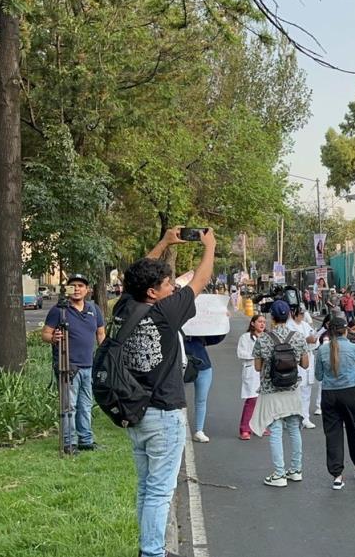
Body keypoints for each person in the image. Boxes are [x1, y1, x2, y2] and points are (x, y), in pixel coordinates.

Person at [112, 226, 214, 557]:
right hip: (164, 413)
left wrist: (165, 242)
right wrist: (208, 246)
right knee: (159, 491)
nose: (174, 286)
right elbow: (200, 280)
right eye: (168, 284)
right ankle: (152, 552)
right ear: (154, 293)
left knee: (146, 488)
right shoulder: (166, 313)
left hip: (135, 410)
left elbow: (135, 277)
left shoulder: (125, 306)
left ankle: (150, 547)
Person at [41, 273, 106, 454]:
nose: (77, 289)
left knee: (85, 405)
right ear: (67, 289)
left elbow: (100, 334)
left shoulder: (94, 309)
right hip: (67, 366)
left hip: (88, 366)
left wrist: (104, 354)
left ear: (87, 290)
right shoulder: (59, 310)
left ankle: (86, 440)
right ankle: (69, 443)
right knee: (68, 406)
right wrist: (54, 337)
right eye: (73, 286)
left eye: (81, 286)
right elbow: (45, 334)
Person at [251, 300, 309, 487]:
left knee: (275, 431)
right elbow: (305, 364)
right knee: (294, 428)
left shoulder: (263, 339)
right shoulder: (298, 337)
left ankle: (279, 474)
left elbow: (258, 367)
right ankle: (296, 470)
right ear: (289, 315)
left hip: (271, 390)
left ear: (272, 318)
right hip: (292, 389)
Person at [315, 315, 355, 490]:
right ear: (345, 330)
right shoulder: (353, 347)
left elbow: (318, 376)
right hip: (349, 392)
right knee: (353, 429)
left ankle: (337, 475)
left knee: (333, 433)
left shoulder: (323, 349)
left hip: (329, 394)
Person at [183, 334, 225, 443]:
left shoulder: (200, 332)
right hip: (182, 365)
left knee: (201, 400)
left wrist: (223, 322)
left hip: (202, 365)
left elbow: (214, 338)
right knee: (178, 399)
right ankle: (178, 430)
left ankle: (199, 430)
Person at [286, 305, 320, 428]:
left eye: (303, 313)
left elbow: (315, 341)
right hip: (295, 360)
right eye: (300, 313)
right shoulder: (288, 326)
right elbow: (290, 343)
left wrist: (314, 340)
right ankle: (292, 417)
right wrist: (306, 341)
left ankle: (305, 417)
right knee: (295, 390)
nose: (302, 315)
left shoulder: (305, 325)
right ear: (293, 313)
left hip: (308, 358)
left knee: (306, 390)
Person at [237, 315, 266, 440]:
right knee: (252, 400)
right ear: (253, 323)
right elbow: (240, 353)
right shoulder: (245, 337)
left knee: (263, 400)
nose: (262, 324)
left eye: (264, 322)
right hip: (252, 369)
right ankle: (245, 429)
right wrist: (256, 355)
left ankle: (260, 426)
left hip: (265, 371)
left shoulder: (267, 337)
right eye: (259, 322)